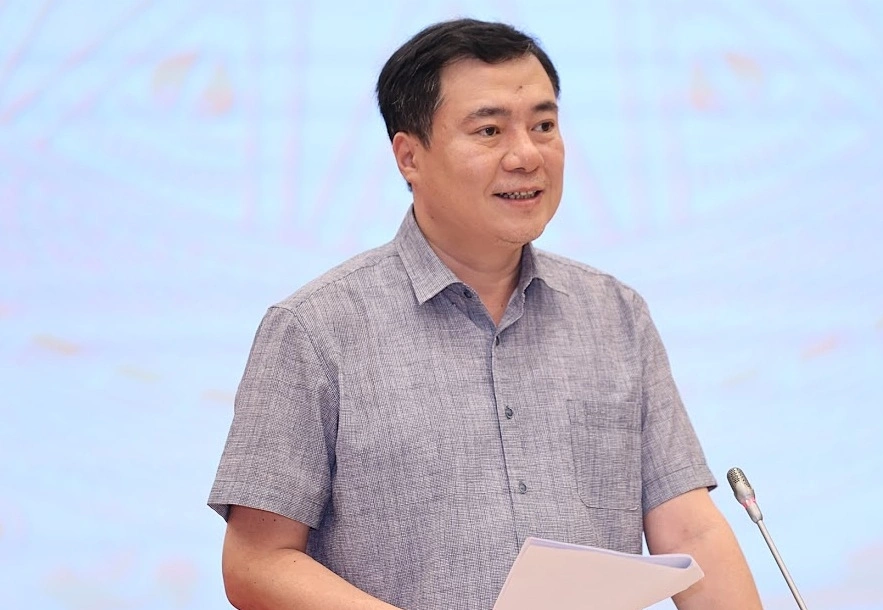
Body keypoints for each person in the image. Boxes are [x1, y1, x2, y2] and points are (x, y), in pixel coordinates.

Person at [208, 17, 763, 610]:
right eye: (490, 130)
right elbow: (256, 562)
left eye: (543, 126)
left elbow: (690, 530)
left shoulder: (615, 315)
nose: (526, 155)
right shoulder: (315, 330)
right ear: (409, 156)